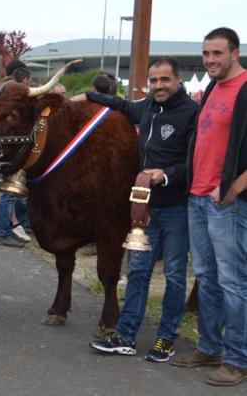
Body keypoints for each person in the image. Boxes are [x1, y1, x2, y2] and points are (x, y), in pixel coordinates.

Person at [77, 56, 198, 362]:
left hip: (177, 209)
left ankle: (165, 338)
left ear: (177, 79)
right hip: (144, 208)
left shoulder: (191, 112)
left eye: (164, 80)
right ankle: (126, 334)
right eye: (154, 80)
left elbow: (195, 160)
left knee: (173, 275)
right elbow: (119, 104)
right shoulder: (144, 107)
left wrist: (165, 174)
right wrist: (87, 96)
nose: (158, 86)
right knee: (138, 271)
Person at [170, 27, 247, 387]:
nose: (210, 60)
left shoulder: (246, 89)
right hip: (198, 197)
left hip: (227, 203)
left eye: (217, 53)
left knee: (233, 282)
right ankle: (210, 346)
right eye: (206, 54)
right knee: (207, 277)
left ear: (234, 53)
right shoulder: (214, 87)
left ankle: (238, 359)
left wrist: (232, 187)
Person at [0, 60, 32, 248]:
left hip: (10, 150)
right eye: (27, 81)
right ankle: (3, 233)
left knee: (12, 192)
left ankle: (16, 225)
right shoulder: (11, 96)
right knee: (8, 193)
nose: (28, 86)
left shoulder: (1, 90)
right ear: (22, 79)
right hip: (8, 151)